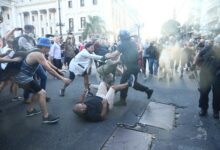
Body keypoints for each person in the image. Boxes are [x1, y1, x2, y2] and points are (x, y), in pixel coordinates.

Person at [15, 37, 71, 124]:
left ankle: (30, 110)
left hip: (25, 77)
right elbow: (49, 69)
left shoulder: (38, 52)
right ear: (44, 47)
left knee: (37, 92)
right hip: (23, 78)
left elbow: (47, 62)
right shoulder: (38, 54)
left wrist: (58, 69)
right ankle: (46, 117)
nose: (49, 49)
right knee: (42, 93)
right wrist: (63, 79)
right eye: (48, 47)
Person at [105, 30, 153, 106]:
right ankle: (147, 90)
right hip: (135, 66)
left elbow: (115, 54)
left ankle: (122, 100)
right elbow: (130, 53)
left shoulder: (122, 44)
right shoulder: (132, 42)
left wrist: (105, 56)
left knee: (123, 83)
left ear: (121, 37)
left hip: (129, 67)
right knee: (133, 83)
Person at [193, 35, 220, 119]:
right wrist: (195, 65)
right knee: (203, 92)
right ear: (215, 42)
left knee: (217, 94)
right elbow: (198, 56)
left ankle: (216, 111)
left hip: (217, 75)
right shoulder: (207, 48)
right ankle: (203, 108)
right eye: (218, 42)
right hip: (205, 74)